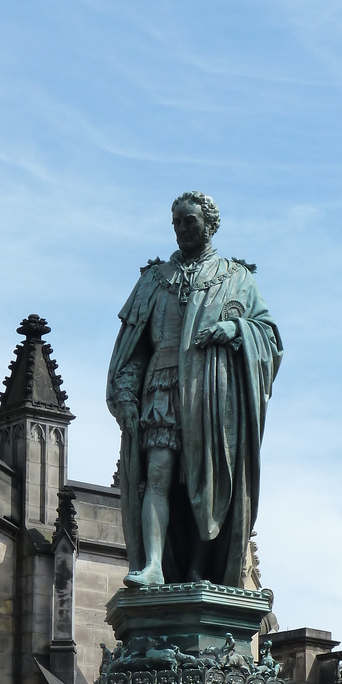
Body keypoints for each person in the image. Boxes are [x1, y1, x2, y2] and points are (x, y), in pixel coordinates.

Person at [107, 192, 282, 587]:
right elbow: (134, 349)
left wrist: (235, 329)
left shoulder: (236, 276)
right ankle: (153, 565)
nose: (183, 229)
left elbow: (268, 335)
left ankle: (202, 568)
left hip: (210, 394)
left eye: (190, 221)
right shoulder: (153, 279)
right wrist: (125, 391)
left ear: (210, 224)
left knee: (208, 481)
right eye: (177, 223)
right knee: (157, 474)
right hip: (162, 386)